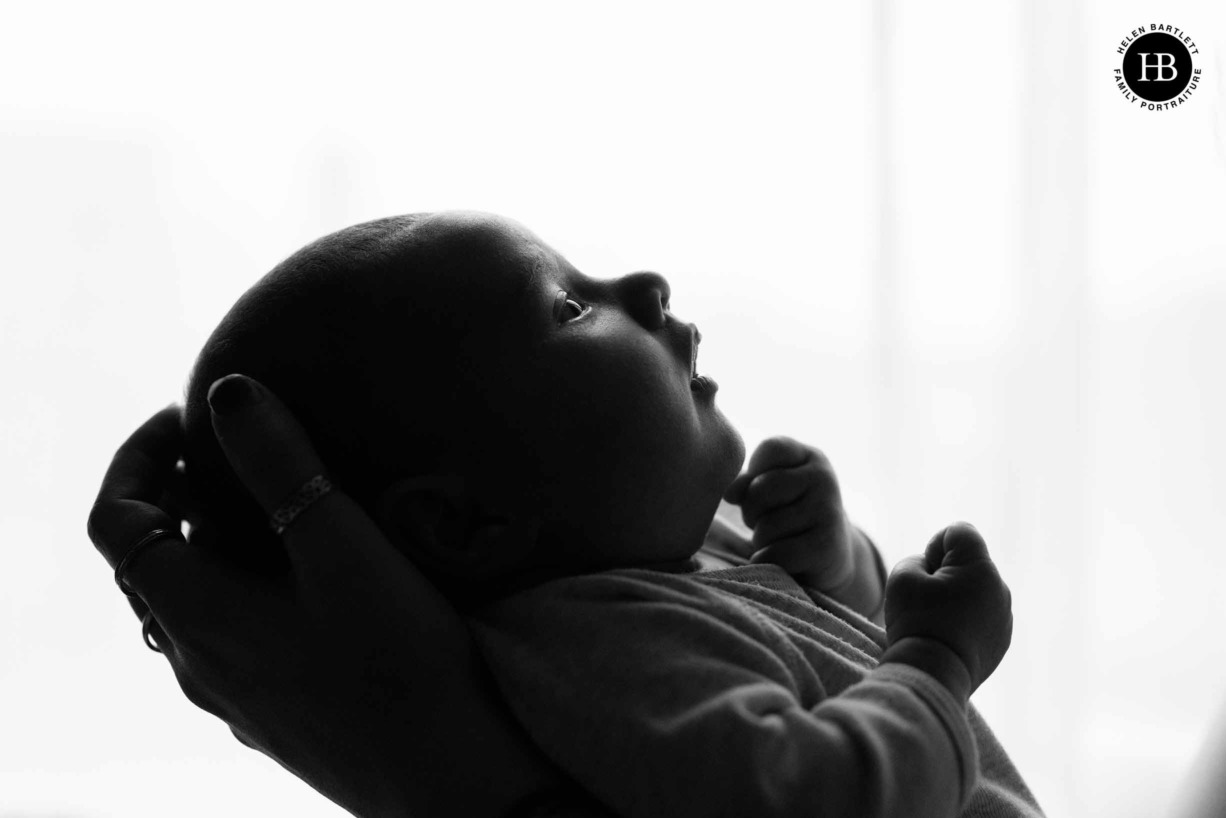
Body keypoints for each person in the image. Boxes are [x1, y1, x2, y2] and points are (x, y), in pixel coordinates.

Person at [91, 211, 1043, 816]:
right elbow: (817, 795)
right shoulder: (605, 644)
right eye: (571, 310)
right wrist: (936, 662)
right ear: (465, 526)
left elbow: (829, 652)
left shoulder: (676, 551)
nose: (644, 287)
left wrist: (833, 561)